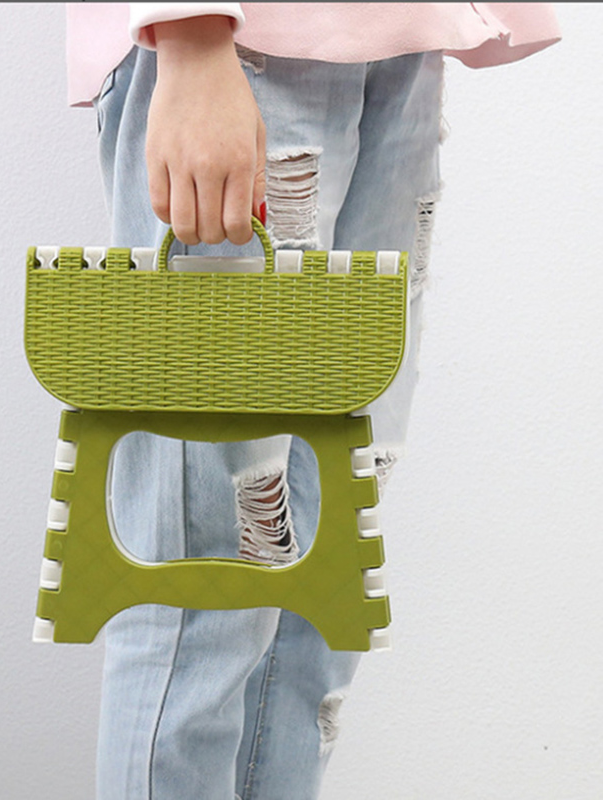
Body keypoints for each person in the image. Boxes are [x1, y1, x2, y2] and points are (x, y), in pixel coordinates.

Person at [64, 4, 560, 798]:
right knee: (201, 601)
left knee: (316, 611)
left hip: (400, 47)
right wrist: (189, 33)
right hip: (235, 49)